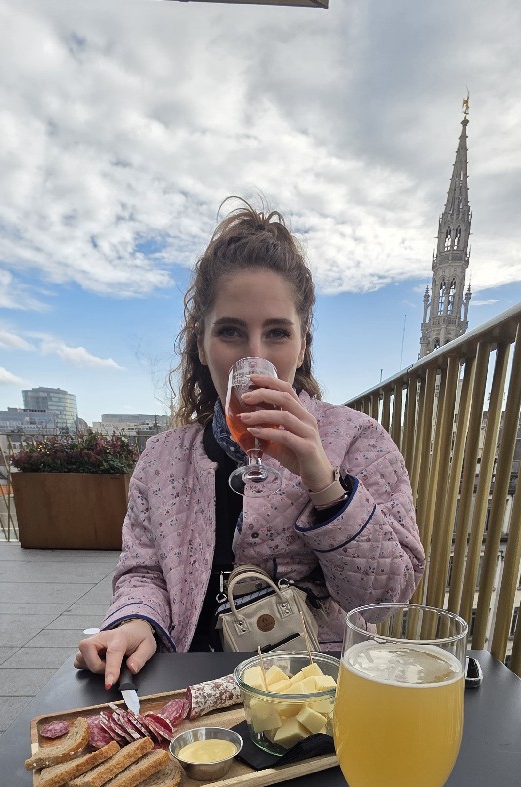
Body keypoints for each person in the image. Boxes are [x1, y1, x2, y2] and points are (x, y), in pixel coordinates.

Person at [75, 200, 425, 689]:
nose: (254, 358)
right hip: (186, 689)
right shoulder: (161, 459)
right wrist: (136, 620)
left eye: (277, 332)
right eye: (231, 333)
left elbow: (386, 599)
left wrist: (324, 484)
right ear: (201, 345)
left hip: (309, 696)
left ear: (303, 344)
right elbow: (143, 570)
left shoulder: (359, 440)